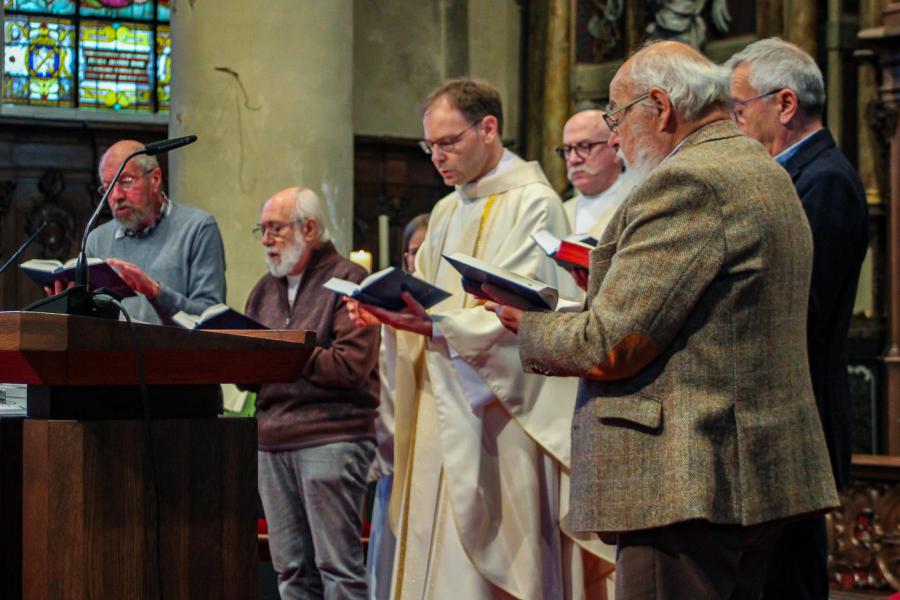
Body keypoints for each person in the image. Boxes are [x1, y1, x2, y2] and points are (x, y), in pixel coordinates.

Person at [483, 41, 839, 599]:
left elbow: (613, 343)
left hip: (684, 482)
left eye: (616, 117)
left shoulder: (688, 181)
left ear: (660, 106)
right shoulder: (760, 168)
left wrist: (526, 324)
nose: (616, 136)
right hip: (748, 473)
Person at [348, 78, 613, 599]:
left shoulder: (535, 204)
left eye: (450, 142)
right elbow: (425, 298)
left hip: (501, 418)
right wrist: (391, 316)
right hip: (436, 405)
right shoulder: (446, 210)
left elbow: (530, 318)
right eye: (431, 146)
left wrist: (439, 326)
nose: (438, 159)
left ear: (488, 128)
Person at [726, 37, 869, 598]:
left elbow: (798, 310)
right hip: (776, 419)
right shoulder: (788, 175)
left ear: (784, 105)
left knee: (788, 582)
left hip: (797, 420)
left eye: (739, 109)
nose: (734, 123)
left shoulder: (823, 179)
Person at [245, 187, 380, 600]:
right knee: (290, 572)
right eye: (262, 230)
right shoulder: (264, 290)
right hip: (271, 442)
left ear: (309, 228)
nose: (267, 239)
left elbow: (348, 367)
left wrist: (281, 354)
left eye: (276, 229)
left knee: (338, 569)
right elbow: (249, 376)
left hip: (331, 437)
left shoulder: (350, 282)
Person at [83, 139, 226, 325]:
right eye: (108, 187)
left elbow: (211, 317)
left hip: (175, 352)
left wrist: (156, 292)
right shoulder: (96, 240)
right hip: (115, 353)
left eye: (126, 181)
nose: (116, 195)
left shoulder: (198, 228)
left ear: (155, 178)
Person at [366, 213, 430, 600]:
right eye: (413, 253)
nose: (419, 260)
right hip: (400, 453)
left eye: (428, 251)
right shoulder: (387, 311)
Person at [556, 109, 629, 292]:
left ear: (615, 146)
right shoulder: (559, 210)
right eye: (567, 149)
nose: (573, 159)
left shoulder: (635, 206)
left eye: (584, 146)